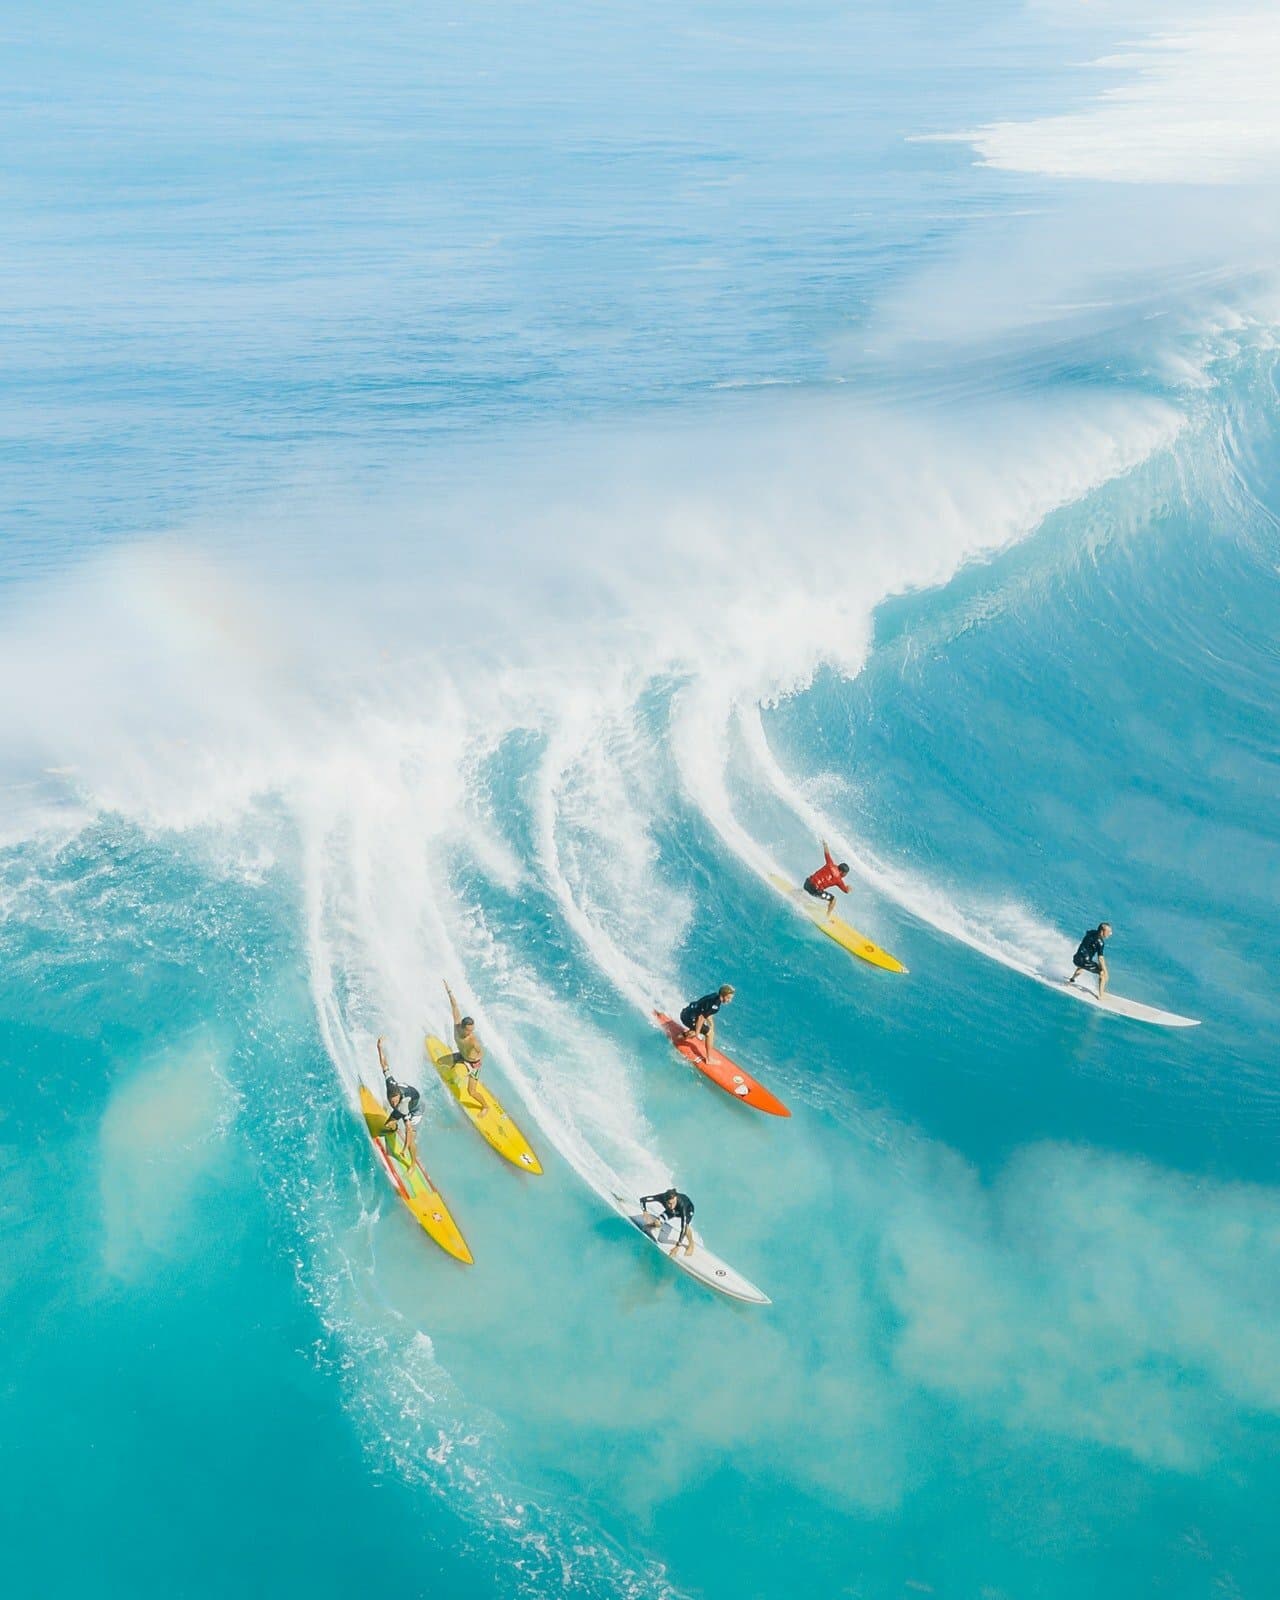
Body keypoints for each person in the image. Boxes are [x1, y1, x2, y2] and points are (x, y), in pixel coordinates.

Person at [376, 1036, 422, 1165]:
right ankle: (394, 1128)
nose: (393, 1104)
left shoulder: (403, 1105)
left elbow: (408, 1129)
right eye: (392, 1102)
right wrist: (379, 1048)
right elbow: (384, 1065)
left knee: (411, 1139)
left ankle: (412, 1164)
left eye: (395, 1102)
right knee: (388, 1125)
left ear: (398, 1097)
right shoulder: (390, 1083)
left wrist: (404, 1148)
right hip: (407, 1097)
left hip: (415, 1108)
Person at [444, 980, 485, 1113]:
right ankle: (454, 1070)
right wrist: (449, 991)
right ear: (462, 1027)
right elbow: (455, 1007)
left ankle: (485, 1106)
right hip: (462, 1056)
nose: (471, 1032)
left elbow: (480, 1054)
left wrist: (473, 1063)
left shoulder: (473, 1041)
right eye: (468, 1030)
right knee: (441, 1062)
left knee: (471, 1092)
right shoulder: (457, 1026)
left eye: (472, 1030)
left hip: (473, 1064)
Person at [677, 984, 735, 1059]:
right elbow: (701, 1017)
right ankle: (709, 1058)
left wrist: (712, 1025)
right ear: (723, 995)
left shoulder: (714, 996)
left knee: (703, 1029)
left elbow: (707, 1013)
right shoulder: (715, 1005)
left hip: (686, 1013)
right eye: (728, 998)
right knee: (710, 1034)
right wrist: (697, 1033)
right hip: (689, 1019)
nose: (729, 1000)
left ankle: (681, 1036)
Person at [639, 1188, 696, 1258]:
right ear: (665, 1200)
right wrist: (644, 1211)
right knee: (657, 1222)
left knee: (686, 1227)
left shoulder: (682, 1205)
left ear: (676, 1198)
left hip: (688, 1210)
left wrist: (677, 1247)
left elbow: (683, 1228)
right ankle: (652, 1225)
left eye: (673, 1203)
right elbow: (642, 1200)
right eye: (669, 1203)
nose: (671, 1206)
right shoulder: (661, 1197)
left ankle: (691, 1244)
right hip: (672, 1212)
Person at [802, 840, 851, 920]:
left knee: (811, 882)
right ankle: (826, 918)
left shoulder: (830, 864)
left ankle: (799, 892)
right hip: (815, 891)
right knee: (833, 900)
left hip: (807, 884)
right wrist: (849, 888)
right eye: (846, 874)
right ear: (842, 872)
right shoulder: (839, 879)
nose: (845, 876)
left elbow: (827, 853)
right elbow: (846, 891)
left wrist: (825, 844)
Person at [1068, 922, 1113, 996]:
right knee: (1102, 973)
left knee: (1081, 966)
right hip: (1085, 961)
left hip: (1076, 958)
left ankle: (1071, 980)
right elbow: (1101, 959)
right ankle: (1101, 996)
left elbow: (1088, 934)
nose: (1110, 934)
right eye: (1108, 932)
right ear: (1102, 931)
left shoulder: (1090, 932)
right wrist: (1106, 972)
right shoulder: (1100, 942)